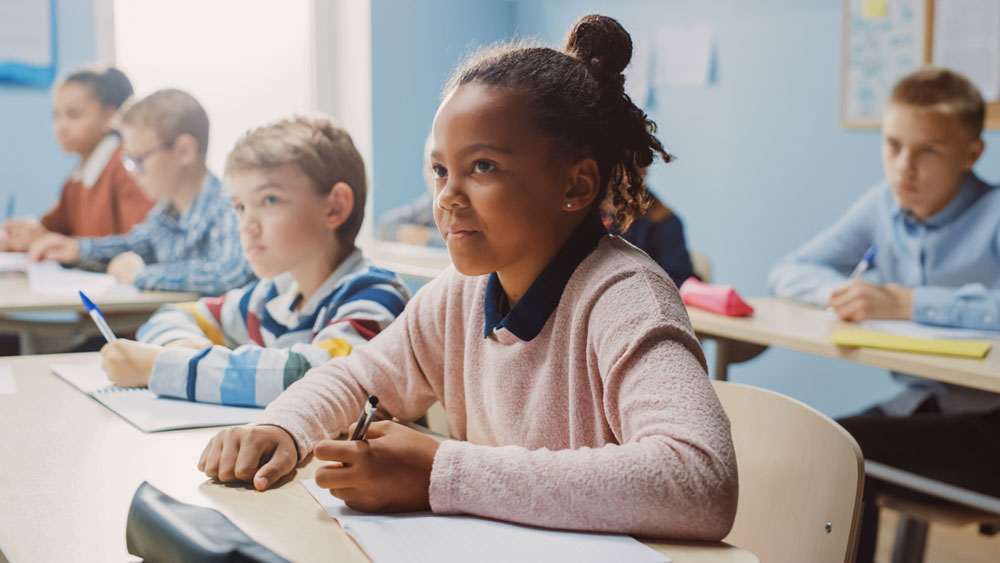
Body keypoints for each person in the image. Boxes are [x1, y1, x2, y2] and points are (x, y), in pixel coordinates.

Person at [197, 15, 737, 539]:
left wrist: (442, 473)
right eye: (439, 170)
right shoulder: (459, 295)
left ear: (576, 185)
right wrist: (284, 427)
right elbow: (357, 378)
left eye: (482, 167)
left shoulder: (625, 298)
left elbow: (699, 480)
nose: (447, 197)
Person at [768, 67, 999, 562]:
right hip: (927, 403)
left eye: (928, 151)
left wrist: (908, 302)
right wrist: (843, 292)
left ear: (972, 153)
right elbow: (789, 270)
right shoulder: (884, 207)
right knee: (824, 446)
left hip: (991, 420)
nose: (903, 168)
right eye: (893, 145)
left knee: (850, 453)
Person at [98, 116, 410, 407]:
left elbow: (317, 379)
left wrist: (163, 366)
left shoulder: (376, 296)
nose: (247, 225)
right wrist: (183, 345)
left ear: (335, 208)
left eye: (269, 200)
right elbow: (170, 316)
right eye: (240, 207)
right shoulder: (271, 296)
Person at [28, 89, 254, 296]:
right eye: (128, 160)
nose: (132, 172)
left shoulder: (228, 205)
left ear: (184, 151)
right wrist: (78, 249)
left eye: (138, 160)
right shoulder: (167, 209)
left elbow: (228, 273)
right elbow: (137, 244)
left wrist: (141, 276)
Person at [2, 65, 153, 250]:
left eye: (73, 115)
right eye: (56, 115)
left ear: (110, 117)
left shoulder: (127, 168)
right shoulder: (77, 177)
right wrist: (22, 234)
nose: (61, 126)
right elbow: (53, 229)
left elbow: (139, 245)